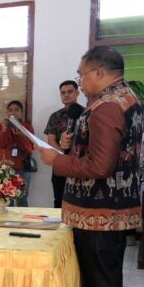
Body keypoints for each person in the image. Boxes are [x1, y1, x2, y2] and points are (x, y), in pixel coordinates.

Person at [38, 46, 144, 287]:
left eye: (81, 75)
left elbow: (100, 166)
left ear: (98, 72)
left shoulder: (107, 106)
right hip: (111, 210)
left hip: (100, 214)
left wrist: (57, 161)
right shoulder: (127, 99)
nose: (80, 82)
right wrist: (73, 146)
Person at [43, 80, 84, 208]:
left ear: (77, 93)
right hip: (60, 162)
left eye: (70, 92)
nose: (66, 95)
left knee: (80, 200)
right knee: (59, 199)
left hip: (80, 164)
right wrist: (61, 154)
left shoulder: (87, 113)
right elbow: (51, 140)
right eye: (63, 93)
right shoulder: (55, 116)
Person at [0, 100, 34, 206]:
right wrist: (5, 130)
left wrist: (20, 135)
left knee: (22, 198)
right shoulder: (2, 126)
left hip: (23, 168)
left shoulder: (27, 127)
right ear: (7, 112)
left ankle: (23, 217)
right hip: (5, 167)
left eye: (16, 110)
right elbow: (0, 144)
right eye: (10, 110)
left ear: (21, 112)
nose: (13, 113)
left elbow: (29, 149)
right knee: (7, 198)